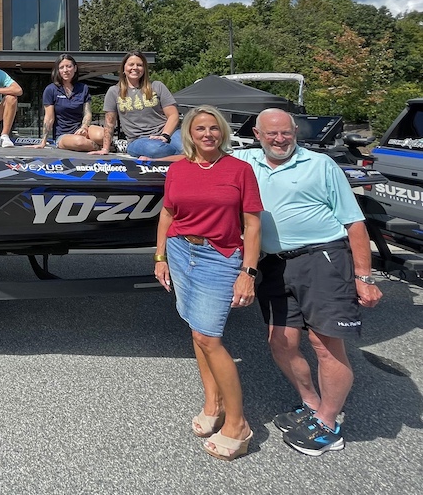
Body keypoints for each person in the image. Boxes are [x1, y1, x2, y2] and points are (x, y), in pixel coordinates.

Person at [233, 109, 382, 456]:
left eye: (286, 132)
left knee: (325, 344)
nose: (280, 139)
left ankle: (329, 425)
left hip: (322, 258)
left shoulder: (321, 165)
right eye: (272, 134)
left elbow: (354, 223)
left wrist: (364, 277)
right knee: (280, 341)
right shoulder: (245, 161)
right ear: (257, 135)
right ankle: (312, 405)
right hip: (273, 264)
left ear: (295, 131)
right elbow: (200, 154)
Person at [154, 105, 262, 461]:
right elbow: (167, 214)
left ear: (222, 133)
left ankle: (238, 424)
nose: (207, 134)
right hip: (180, 252)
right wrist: (160, 257)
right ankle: (213, 404)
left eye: (214, 128)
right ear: (190, 133)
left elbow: (252, 225)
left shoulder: (240, 170)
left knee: (209, 337)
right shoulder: (178, 169)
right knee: (196, 328)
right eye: (200, 128)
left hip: (221, 256)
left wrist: (248, 272)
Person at [92, 51, 182, 159]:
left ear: (144, 69)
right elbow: (109, 123)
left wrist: (165, 135)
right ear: (123, 68)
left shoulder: (157, 86)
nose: (135, 68)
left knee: (187, 146)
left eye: (139, 65)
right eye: (131, 64)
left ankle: (178, 156)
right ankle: (185, 157)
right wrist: (105, 149)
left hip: (168, 133)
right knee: (156, 150)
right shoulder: (114, 91)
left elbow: (173, 115)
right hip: (138, 140)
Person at [32, 54, 104, 151]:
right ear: (58, 70)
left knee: (103, 135)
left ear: (75, 68)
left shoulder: (83, 88)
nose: (65, 70)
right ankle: (101, 147)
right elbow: (49, 118)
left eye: (69, 66)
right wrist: (43, 142)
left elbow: (87, 113)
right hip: (63, 135)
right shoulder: (51, 89)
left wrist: (84, 127)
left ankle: (103, 144)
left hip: (81, 130)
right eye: (61, 67)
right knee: (79, 142)